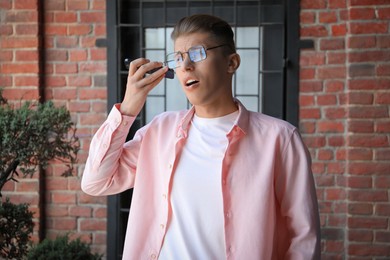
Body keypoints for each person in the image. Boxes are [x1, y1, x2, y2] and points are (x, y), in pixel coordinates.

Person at [81, 14, 321, 259]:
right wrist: (128, 107)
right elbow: (96, 181)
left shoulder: (279, 139)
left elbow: (303, 236)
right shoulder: (159, 132)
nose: (185, 66)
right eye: (178, 57)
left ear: (231, 63)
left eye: (197, 53)